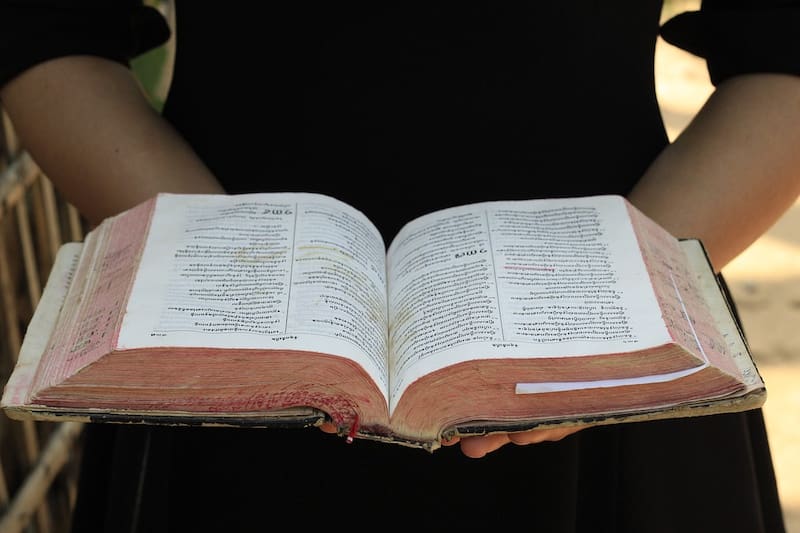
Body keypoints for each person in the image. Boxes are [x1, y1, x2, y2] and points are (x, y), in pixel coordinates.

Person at [1, 2, 798, 532]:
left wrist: (616, 309)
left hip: (603, 344)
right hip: (222, 348)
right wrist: (233, 286)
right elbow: (49, 30)